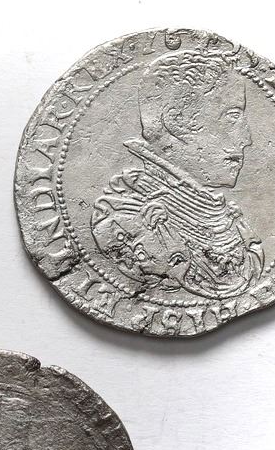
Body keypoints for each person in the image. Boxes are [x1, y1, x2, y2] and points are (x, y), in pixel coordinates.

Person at [90, 49, 263, 299]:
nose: (247, 139)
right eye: (233, 116)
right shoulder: (123, 220)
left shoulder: (223, 215)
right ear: (178, 122)